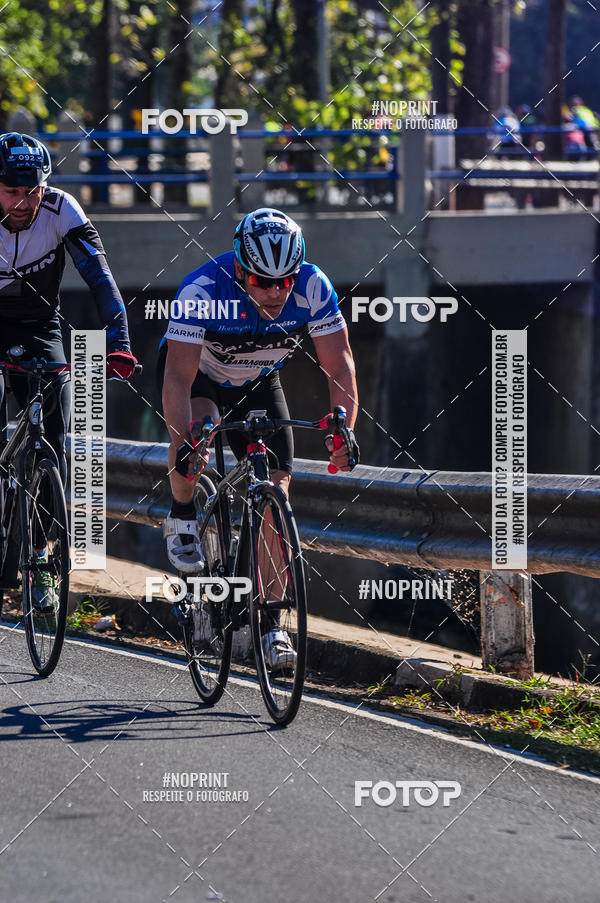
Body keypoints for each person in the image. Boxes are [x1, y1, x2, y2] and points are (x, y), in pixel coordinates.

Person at [159, 207, 359, 668]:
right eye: (261, 282)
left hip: (259, 381)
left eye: (283, 282)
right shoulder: (202, 290)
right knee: (197, 435)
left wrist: (343, 427)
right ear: (238, 269)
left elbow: (340, 363)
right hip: (202, 380)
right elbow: (176, 379)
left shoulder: (313, 285)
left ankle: (271, 624)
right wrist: (186, 440)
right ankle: (183, 510)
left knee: (277, 492)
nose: (273, 292)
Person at [0, 132, 138, 607]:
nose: (23, 202)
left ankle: (39, 560)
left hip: (40, 324)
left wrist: (117, 342)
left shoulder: (62, 211)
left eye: (33, 190)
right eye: (12, 191)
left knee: (53, 442)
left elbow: (101, 278)